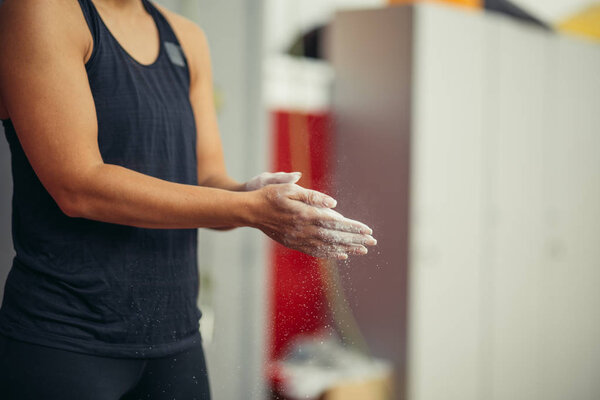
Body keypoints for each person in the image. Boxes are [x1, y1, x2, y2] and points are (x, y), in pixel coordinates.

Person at [0, 0, 376, 399]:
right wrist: (252, 209)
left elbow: (206, 181)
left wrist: (251, 194)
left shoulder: (186, 37)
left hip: (176, 341)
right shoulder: (41, 10)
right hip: (65, 340)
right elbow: (78, 186)